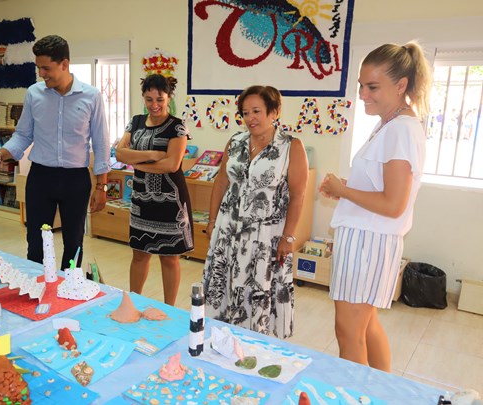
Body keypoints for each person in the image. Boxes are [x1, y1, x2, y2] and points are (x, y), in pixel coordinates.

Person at [319, 41, 432, 372]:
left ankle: (356, 396)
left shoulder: (401, 130)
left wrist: (345, 190)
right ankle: (383, 391)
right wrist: (347, 189)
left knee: (349, 331)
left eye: (372, 87)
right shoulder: (390, 125)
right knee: (366, 326)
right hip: (369, 237)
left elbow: (394, 204)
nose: (363, 95)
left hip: (368, 241)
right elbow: (382, 190)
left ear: (401, 86)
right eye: (361, 86)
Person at [0, 35, 110, 270]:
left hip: (75, 179)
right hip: (41, 178)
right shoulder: (34, 94)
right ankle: (36, 290)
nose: (41, 74)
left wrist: (101, 186)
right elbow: (23, 135)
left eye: (47, 68)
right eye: (39, 68)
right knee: (36, 242)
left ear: (64, 64)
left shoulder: (91, 96)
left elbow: (101, 143)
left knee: (73, 243)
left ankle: (69, 291)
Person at [201, 85, 308, 338]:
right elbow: (221, 182)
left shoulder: (291, 147)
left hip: (266, 236)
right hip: (228, 229)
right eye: (245, 113)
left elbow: (298, 195)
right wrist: (213, 220)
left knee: (257, 289)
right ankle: (221, 338)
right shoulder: (235, 142)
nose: (250, 118)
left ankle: (254, 342)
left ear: (275, 112)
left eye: (257, 111)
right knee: (223, 283)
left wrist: (289, 237)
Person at [115, 74, 194, 306]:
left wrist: (136, 162)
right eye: (149, 99)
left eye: (160, 99)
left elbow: (172, 164)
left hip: (171, 201)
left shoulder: (177, 126)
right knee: (139, 254)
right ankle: (134, 303)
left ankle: (170, 308)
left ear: (168, 97)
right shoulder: (136, 122)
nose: (154, 105)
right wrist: (150, 156)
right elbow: (119, 153)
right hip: (141, 199)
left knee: (169, 258)